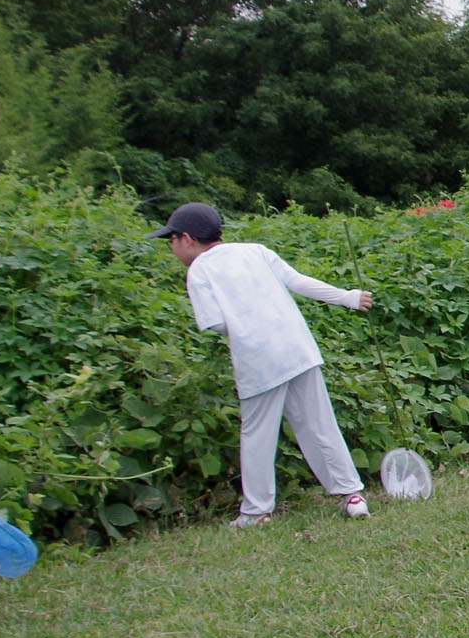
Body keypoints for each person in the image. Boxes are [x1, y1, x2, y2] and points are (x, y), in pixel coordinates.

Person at [158, 202, 376, 525]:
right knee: (319, 423)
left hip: (258, 359)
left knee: (258, 434)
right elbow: (298, 281)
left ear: (186, 238)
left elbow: (214, 323)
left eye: (171, 240)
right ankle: (352, 496)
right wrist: (347, 296)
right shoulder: (255, 250)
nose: (172, 247)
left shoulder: (199, 270)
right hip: (298, 347)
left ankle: (257, 512)